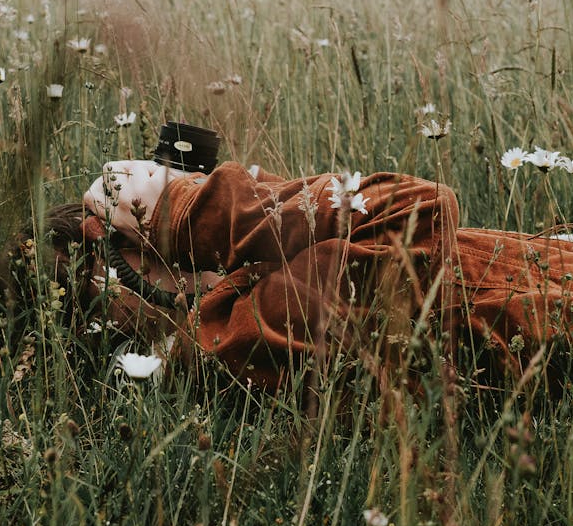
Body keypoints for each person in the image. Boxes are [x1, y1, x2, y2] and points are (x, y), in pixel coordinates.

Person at [34, 159, 572, 393]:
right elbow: (423, 207)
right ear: (115, 278)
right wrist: (187, 210)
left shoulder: (235, 300)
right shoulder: (237, 332)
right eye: (137, 244)